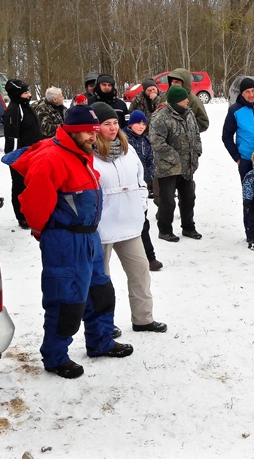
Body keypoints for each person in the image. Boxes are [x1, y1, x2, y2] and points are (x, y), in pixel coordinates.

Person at [11, 105, 133, 380]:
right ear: (75, 132)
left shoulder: (82, 154)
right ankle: (56, 357)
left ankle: (100, 340)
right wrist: (47, 233)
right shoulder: (52, 158)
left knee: (101, 293)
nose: (95, 135)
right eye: (90, 131)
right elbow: (33, 205)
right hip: (65, 241)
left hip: (89, 236)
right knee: (66, 301)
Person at [92, 102, 168, 333]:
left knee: (140, 271)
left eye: (115, 123)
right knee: (101, 280)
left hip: (129, 223)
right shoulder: (87, 153)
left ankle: (143, 318)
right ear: (96, 127)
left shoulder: (127, 148)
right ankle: (104, 325)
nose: (113, 128)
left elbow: (140, 178)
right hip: (102, 227)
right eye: (107, 124)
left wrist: (141, 201)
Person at [150, 86, 203, 242]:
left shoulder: (189, 113)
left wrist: (197, 151)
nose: (187, 100)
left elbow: (196, 135)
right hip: (168, 168)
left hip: (188, 166)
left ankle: (188, 227)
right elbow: (157, 142)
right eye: (184, 99)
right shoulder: (160, 117)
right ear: (175, 102)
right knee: (167, 201)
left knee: (189, 198)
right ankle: (165, 230)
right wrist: (176, 158)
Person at [2, 78, 42, 229]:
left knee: (32, 184)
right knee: (20, 185)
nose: (29, 95)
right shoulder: (14, 110)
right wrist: (14, 159)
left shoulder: (25, 107)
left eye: (28, 91)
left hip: (33, 153)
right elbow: (11, 136)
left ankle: (32, 212)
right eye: (25, 92)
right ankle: (21, 216)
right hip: (20, 156)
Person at [125, 110, 162, 271]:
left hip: (141, 186)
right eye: (137, 123)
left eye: (143, 123)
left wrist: (152, 175)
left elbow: (150, 161)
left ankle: (150, 257)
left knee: (143, 221)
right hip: (126, 187)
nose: (140, 126)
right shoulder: (123, 140)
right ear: (130, 124)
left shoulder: (146, 141)